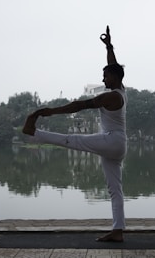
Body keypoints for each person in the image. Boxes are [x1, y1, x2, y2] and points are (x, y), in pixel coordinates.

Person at [22, 26, 127, 242]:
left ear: (114, 78)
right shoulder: (121, 90)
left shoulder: (111, 97)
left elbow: (79, 106)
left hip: (112, 141)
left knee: (74, 140)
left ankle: (35, 133)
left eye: (105, 77)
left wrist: (49, 112)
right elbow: (114, 66)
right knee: (114, 189)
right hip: (116, 145)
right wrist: (109, 47)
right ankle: (118, 231)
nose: (103, 79)